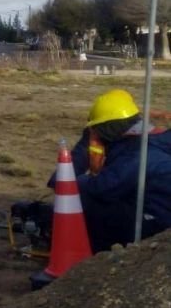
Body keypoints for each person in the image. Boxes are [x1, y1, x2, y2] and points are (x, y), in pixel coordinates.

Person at [47, 88, 171, 252]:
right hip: (157, 213)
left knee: (86, 201)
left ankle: (90, 254)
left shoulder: (140, 152)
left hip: (157, 223)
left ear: (108, 128)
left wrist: (74, 183)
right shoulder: (151, 140)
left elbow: (103, 188)